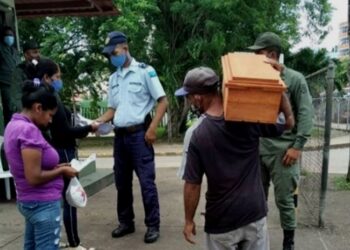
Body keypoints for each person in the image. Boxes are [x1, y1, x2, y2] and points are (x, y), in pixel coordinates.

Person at [176, 66, 294, 250]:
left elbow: (192, 184)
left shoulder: (196, 134)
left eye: (189, 97)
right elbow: (288, 122)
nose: (190, 101)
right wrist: (279, 88)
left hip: (222, 221)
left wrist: (189, 221)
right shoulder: (248, 117)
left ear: (198, 98)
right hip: (254, 213)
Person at [97, 31, 168, 243]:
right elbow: (111, 109)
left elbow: (163, 101)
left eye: (114, 52)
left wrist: (153, 128)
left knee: (147, 182)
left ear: (125, 48)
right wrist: (95, 122)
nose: (112, 58)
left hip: (140, 136)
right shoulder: (113, 78)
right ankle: (126, 222)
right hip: (120, 139)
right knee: (122, 183)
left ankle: (153, 225)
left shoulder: (145, 71)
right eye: (109, 55)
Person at [247, 32, 313, 250]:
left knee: (285, 200)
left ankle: (288, 242)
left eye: (259, 53)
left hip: (284, 152)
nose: (255, 57)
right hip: (259, 149)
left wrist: (297, 146)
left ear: (272, 54)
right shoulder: (256, 78)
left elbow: (305, 114)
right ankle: (258, 238)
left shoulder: (294, 79)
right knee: (257, 199)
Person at [25, 58, 98, 250]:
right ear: (46, 78)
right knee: (70, 197)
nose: (59, 80)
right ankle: (74, 242)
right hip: (63, 152)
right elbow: (63, 132)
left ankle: (66, 241)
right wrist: (88, 128)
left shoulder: (46, 99)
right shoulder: (48, 102)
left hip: (59, 154)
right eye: (57, 77)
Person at [4, 81, 78, 250]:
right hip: (42, 203)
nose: (50, 120)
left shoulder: (13, 125)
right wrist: (63, 170)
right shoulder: (29, 131)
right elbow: (33, 176)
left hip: (28, 201)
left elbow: (27, 166)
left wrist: (57, 167)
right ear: (38, 108)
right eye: (50, 115)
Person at [12, 39, 41, 112]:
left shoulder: (41, 66)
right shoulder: (19, 70)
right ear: (26, 55)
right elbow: (17, 96)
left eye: (38, 52)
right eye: (34, 52)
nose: (38, 55)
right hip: (29, 110)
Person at [0, 26, 20, 125]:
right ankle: (9, 131)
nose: (9, 37)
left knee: (17, 108)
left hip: (16, 84)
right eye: (7, 35)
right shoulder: (0, 48)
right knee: (8, 109)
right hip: (5, 83)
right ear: (3, 37)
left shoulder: (15, 51)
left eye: (11, 35)